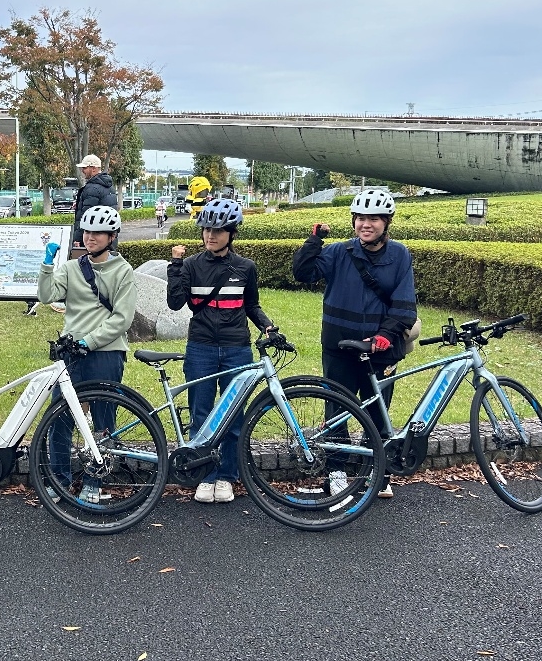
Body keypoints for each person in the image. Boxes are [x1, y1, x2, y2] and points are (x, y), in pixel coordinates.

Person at [292, 188, 417, 500]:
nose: (366, 224)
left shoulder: (399, 255)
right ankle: (336, 472)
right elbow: (303, 273)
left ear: (386, 222)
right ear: (353, 221)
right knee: (337, 407)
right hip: (340, 346)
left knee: (378, 411)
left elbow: (404, 307)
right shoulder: (339, 252)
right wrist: (314, 240)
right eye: (361, 218)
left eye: (374, 218)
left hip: (380, 349)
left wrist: (385, 335)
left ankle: (377, 470)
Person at [167, 197, 277, 503]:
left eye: (218, 230)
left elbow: (251, 305)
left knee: (232, 415)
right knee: (201, 411)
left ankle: (228, 475)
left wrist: (267, 326)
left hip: (236, 348)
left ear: (232, 232)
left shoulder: (245, 267)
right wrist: (175, 266)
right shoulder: (190, 265)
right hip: (200, 346)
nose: (210, 235)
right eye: (206, 230)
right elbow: (175, 303)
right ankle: (206, 475)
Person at [37, 204, 136, 504]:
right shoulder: (71, 268)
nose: (90, 237)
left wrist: (89, 342)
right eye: (87, 231)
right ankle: (59, 479)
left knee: (104, 420)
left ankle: (95, 481)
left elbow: (122, 319)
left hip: (106, 353)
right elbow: (46, 296)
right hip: (71, 353)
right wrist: (46, 264)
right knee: (60, 418)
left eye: (98, 232)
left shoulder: (123, 271)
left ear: (112, 237)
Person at [72, 154, 118, 246]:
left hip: (92, 241)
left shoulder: (91, 189)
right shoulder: (109, 186)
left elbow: (86, 217)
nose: (82, 171)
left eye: (85, 168)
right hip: (107, 239)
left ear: (93, 168)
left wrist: (78, 239)